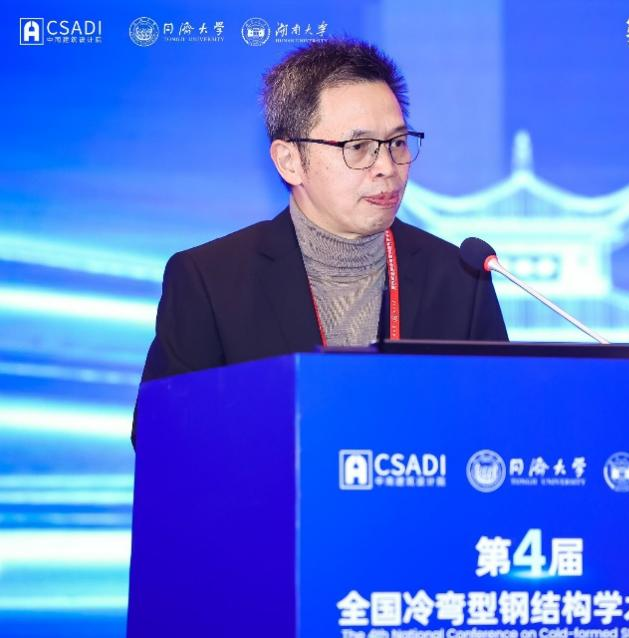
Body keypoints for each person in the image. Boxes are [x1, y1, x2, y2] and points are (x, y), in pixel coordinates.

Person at [134, 38, 507, 445]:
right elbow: (161, 437)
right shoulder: (211, 281)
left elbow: (500, 427)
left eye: (397, 143)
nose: (387, 167)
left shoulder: (459, 279)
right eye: (358, 147)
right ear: (290, 161)